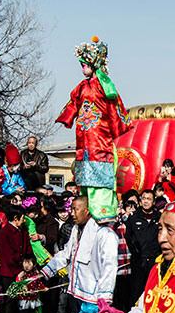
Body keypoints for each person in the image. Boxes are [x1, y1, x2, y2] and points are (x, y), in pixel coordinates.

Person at [40, 196, 118, 313]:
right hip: (81, 288)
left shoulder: (105, 234)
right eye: (71, 209)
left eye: (75, 209)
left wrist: (104, 295)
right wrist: (45, 272)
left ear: (87, 211)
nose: (72, 213)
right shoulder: (76, 230)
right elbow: (66, 254)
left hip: (95, 292)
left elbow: (110, 267)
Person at [56, 37, 132, 220]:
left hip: (100, 139)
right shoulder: (82, 87)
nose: (82, 69)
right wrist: (67, 117)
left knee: (100, 178)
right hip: (84, 140)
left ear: (93, 64)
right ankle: (86, 211)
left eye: (84, 65)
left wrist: (117, 125)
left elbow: (114, 107)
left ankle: (102, 212)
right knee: (85, 178)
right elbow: (73, 103)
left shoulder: (104, 85)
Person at [0, 207, 31, 313]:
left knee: (23, 297)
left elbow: (27, 249)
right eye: (23, 218)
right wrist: (18, 270)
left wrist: (27, 264)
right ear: (16, 218)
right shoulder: (5, 232)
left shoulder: (23, 231)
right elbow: (7, 255)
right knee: (11, 299)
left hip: (23, 268)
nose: (24, 220)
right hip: (10, 271)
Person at [125, 189, 161, 305]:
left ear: (153, 202)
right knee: (136, 292)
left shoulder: (160, 217)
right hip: (138, 262)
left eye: (149, 199)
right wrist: (135, 253)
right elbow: (128, 238)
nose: (146, 201)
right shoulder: (134, 217)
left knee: (154, 292)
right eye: (144, 199)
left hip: (155, 261)